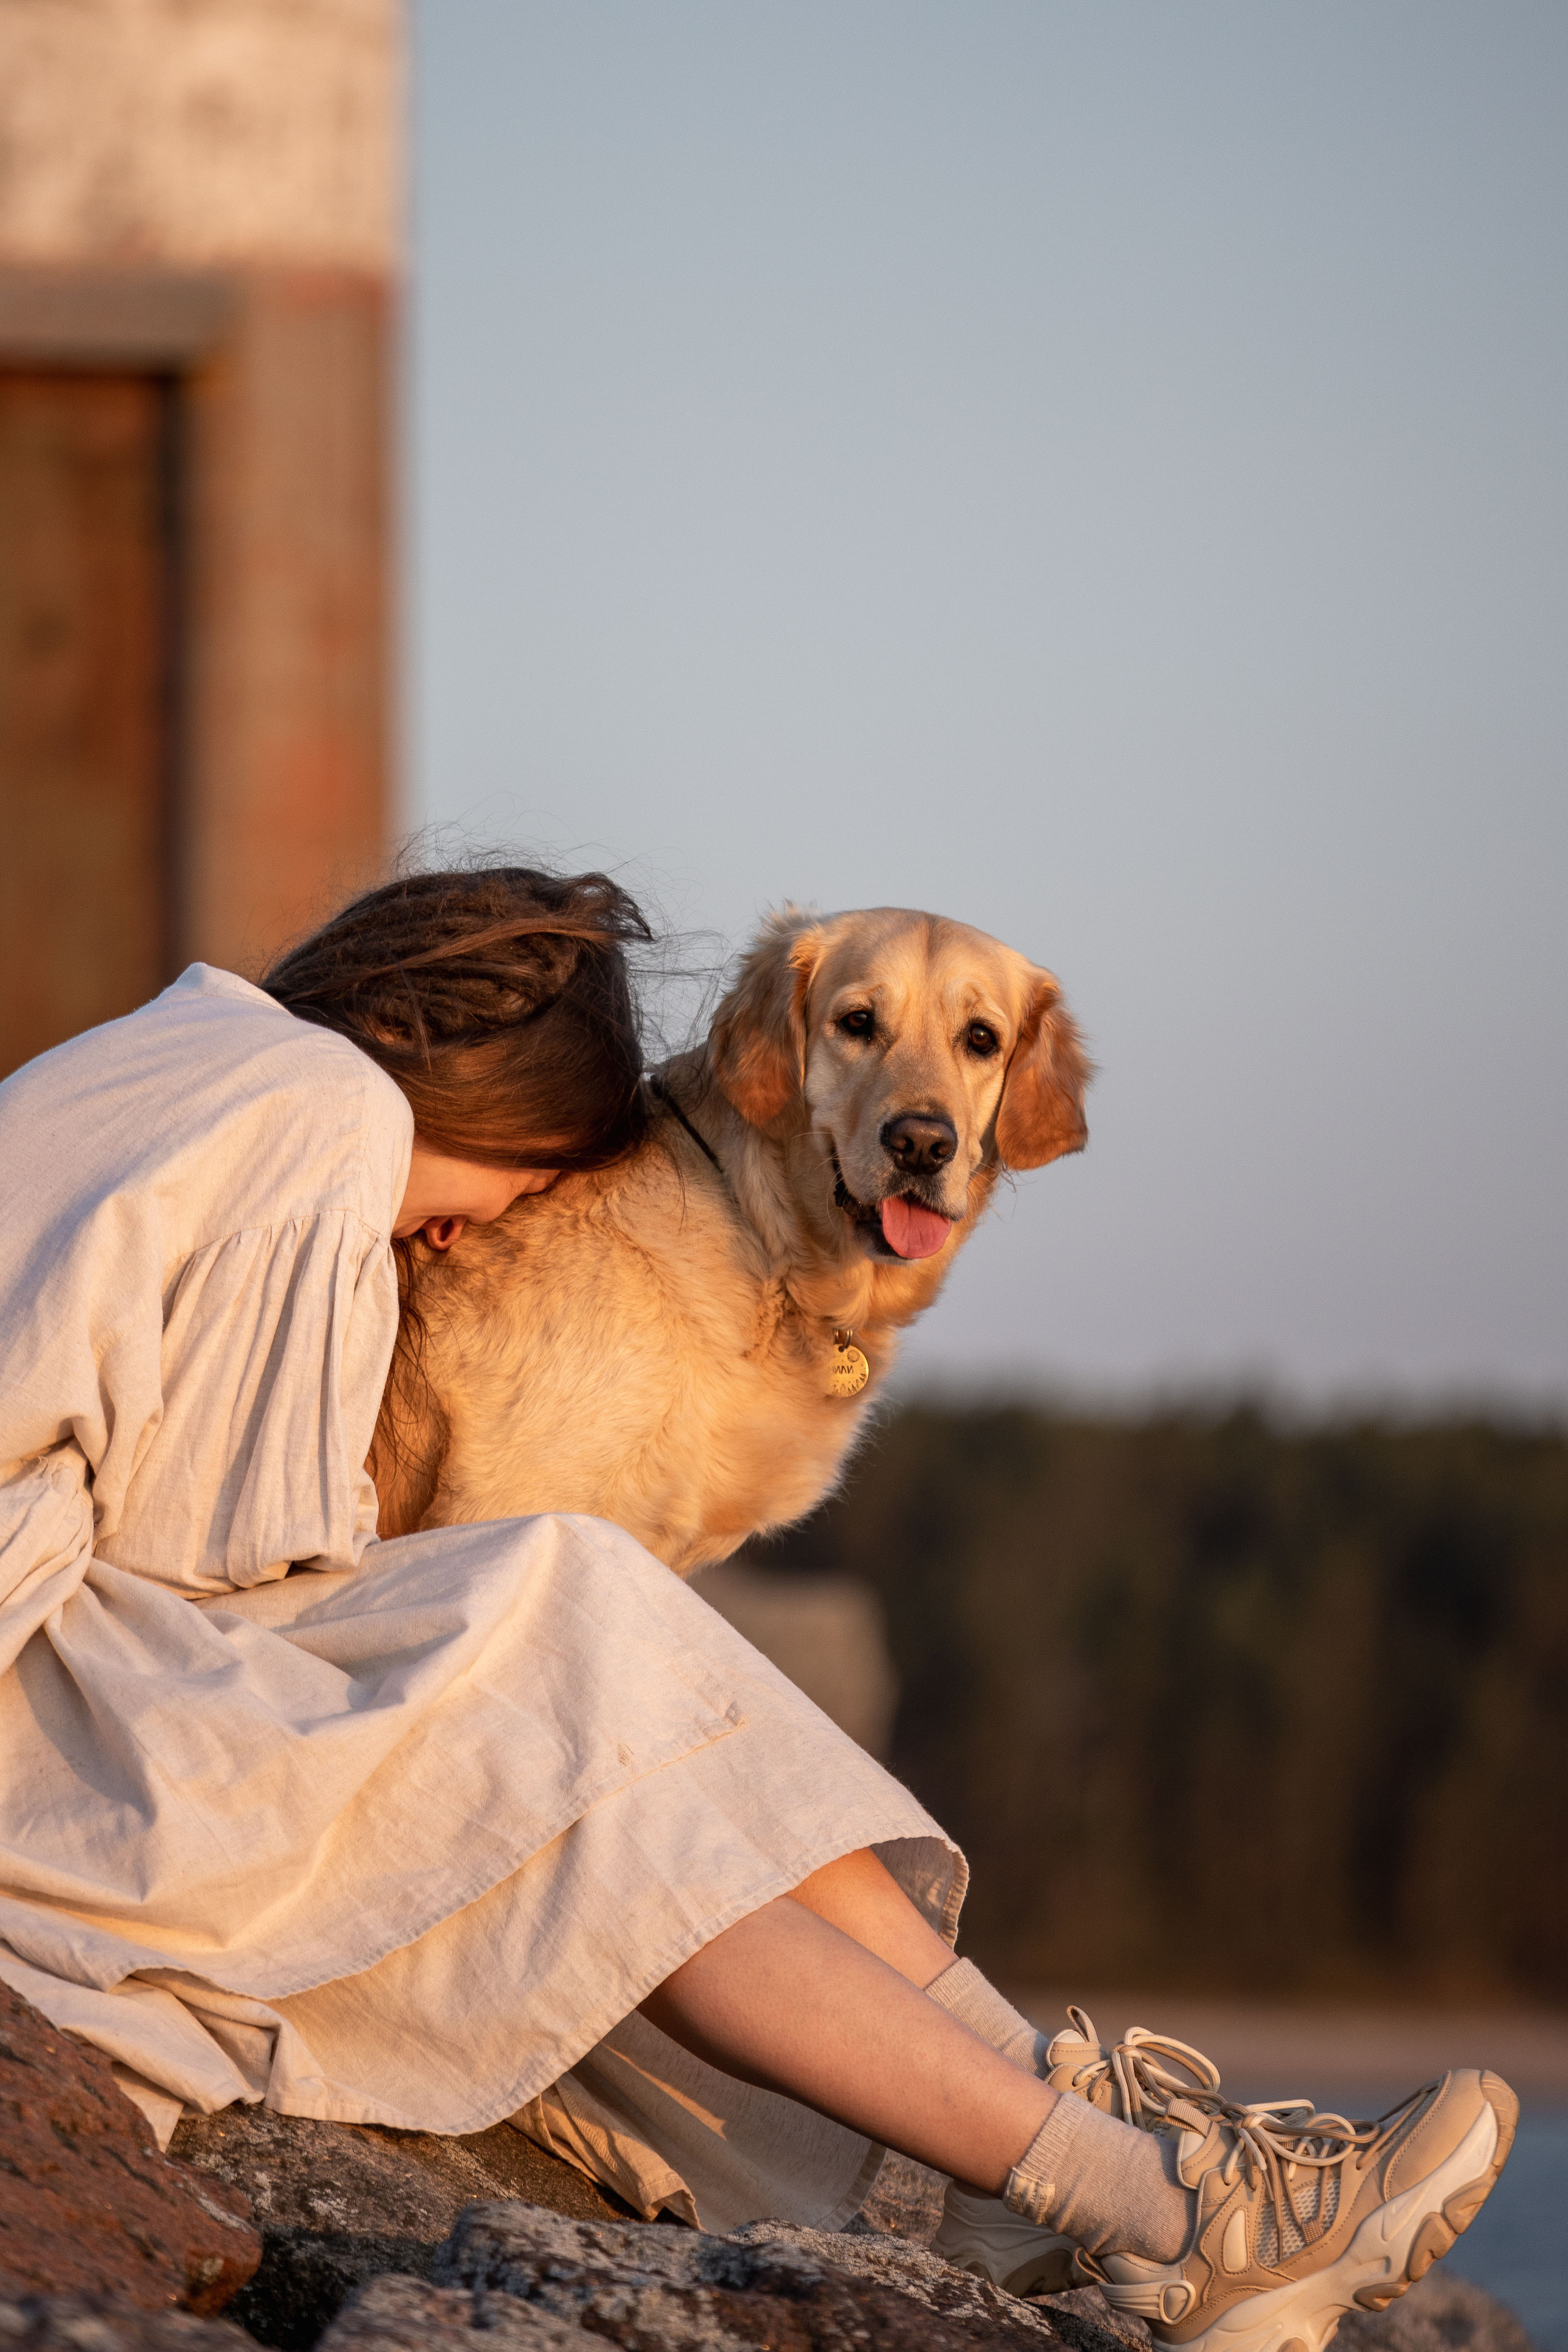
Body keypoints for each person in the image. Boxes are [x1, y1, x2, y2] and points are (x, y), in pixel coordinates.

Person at [0, 863, 1514, 2351]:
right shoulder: (316, 1112)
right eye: (535, 1175)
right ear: (466, 1095)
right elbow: (214, 1556)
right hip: (51, 1736)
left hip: (78, 1679)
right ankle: (1164, 2210)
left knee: (581, 1639)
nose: (483, 1235)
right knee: (573, 1686)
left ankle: (1077, 2147)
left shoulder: (186, 1062)